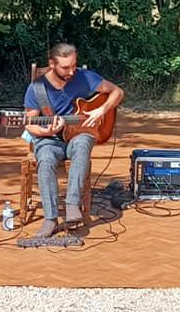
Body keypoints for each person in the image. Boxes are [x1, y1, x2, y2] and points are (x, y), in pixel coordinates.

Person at [23, 42, 124, 238]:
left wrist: (101, 110)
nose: (71, 71)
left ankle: (72, 205)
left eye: (74, 66)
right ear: (52, 64)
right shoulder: (37, 88)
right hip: (50, 139)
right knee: (45, 158)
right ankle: (50, 219)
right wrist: (46, 131)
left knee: (84, 142)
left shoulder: (85, 77)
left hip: (78, 135)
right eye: (65, 67)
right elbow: (29, 123)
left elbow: (117, 92)